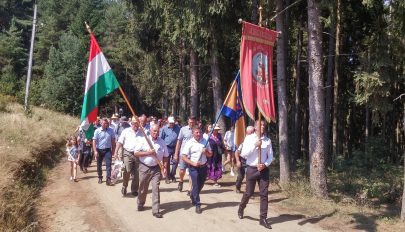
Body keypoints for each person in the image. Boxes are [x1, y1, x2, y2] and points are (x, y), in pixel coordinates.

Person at [237, 120, 274, 229]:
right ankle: (241, 207)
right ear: (255, 127)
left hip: (263, 170)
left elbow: (271, 157)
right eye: (260, 125)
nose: (262, 126)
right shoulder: (249, 138)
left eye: (264, 125)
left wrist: (265, 164)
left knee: (264, 194)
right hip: (252, 169)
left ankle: (263, 218)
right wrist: (255, 145)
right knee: (249, 192)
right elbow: (243, 154)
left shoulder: (267, 140)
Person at [134, 124, 169, 218]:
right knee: (143, 187)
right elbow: (136, 153)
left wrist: (164, 167)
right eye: (154, 131)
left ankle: (156, 210)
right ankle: (140, 202)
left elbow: (166, 156)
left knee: (156, 188)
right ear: (150, 130)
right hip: (144, 167)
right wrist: (148, 153)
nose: (156, 133)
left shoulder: (162, 142)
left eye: (157, 131)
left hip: (156, 168)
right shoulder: (144, 139)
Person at [182, 126, 212, 214]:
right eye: (197, 133)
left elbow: (210, 154)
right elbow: (183, 157)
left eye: (200, 132)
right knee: (195, 185)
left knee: (201, 184)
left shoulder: (205, 142)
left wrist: (205, 152)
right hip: (193, 168)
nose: (199, 134)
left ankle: (193, 194)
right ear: (193, 134)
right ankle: (197, 204)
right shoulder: (189, 143)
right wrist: (192, 163)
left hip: (203, 167)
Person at [114, 116, 142, 196]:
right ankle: (124, 185)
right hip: (127, 153)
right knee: (127, 170)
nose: (135, 125)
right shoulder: (126, 131)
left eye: (137, 124)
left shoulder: (142, 132)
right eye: (134, 123)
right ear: (131, 123)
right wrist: (115, 152)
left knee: (137, 173)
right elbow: (119, 142)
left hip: (138, 154)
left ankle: (134, 189)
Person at [173, 116, 196, 192]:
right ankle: (181, 180)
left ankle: (190, 189)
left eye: (193, 122)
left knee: (191, 172)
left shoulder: (197, 130)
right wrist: (176, 153)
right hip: (184, 154)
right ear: (188, 121)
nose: (191, 124)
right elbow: (179, 142)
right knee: (182, 170)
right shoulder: (183, 129)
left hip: (193, 155)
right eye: (190, 122)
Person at [93, 118, 116, 186]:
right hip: (99, 150)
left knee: (108, 165)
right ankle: (100, 176)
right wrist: (95, 151)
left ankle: (108, 180)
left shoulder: (111, 130)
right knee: (99, 166)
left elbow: (113, 140)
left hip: (107, 150)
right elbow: (94, 141)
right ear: (101, 123)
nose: (106, 124)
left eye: (107, 123)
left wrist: (113, 150)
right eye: (104, 123)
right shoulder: (97, 131)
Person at [159, 116, 180, 184]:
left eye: (173, 123)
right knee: (166, 163)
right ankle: (167, 176)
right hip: (167, 147)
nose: (172, 124)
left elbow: (179, 138)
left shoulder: (178, 128)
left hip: (175, 147)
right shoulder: (164, 128)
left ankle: (172, 174)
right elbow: (161, 138)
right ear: (168, 122)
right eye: (170, 123)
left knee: (175, 162)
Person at [234, 125, 255, 193]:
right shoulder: (243, 141)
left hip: (251, 161)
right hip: (242, 160)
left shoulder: (256, 140)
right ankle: (238, 187)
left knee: (249, 176)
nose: (252, 133)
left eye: (253, 132)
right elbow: (237, 151)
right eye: (251, 132)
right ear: (247, 133)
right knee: (240, 176)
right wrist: (238, 161)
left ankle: (248, 192)